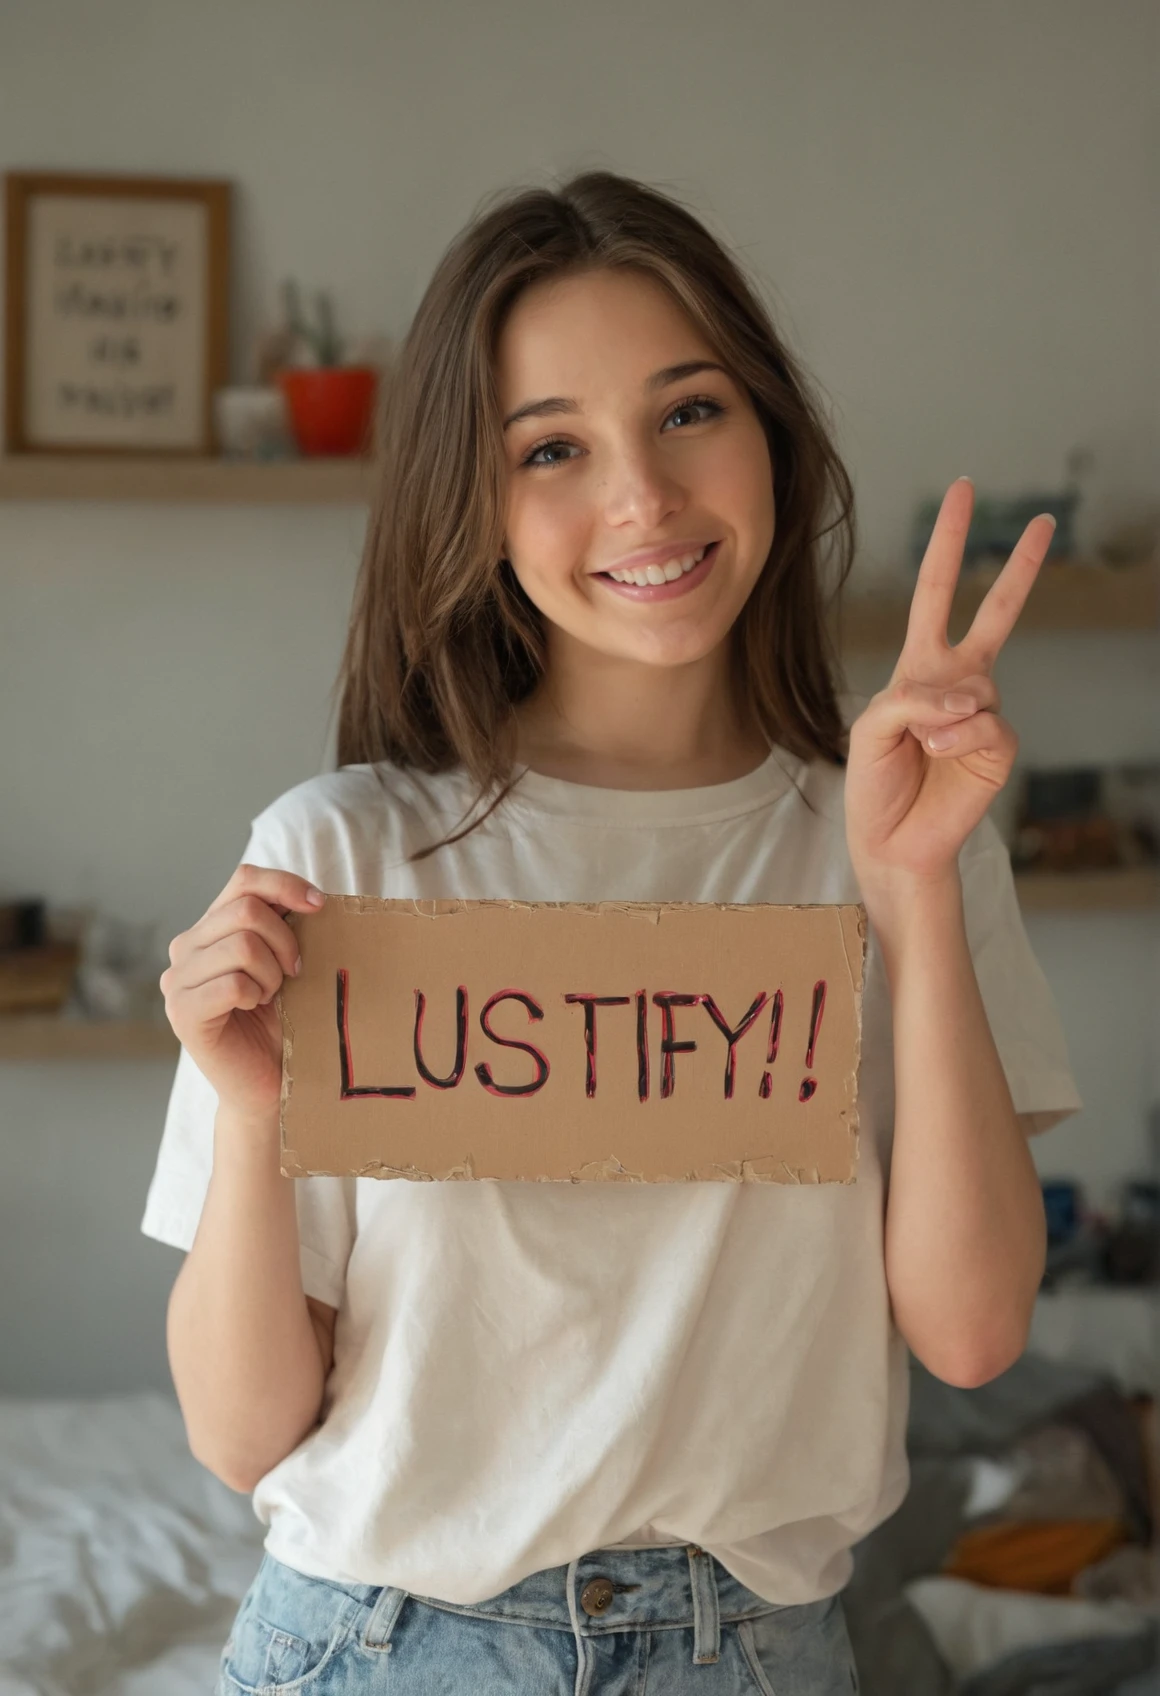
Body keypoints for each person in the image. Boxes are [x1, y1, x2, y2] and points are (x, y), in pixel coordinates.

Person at [141, 169, 1082, 1695]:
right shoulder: (341, 850)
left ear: (770, 427)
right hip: (382, 1647)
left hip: (759, 1653)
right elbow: (241, 1437)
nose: (642, 497)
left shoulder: (902, 834)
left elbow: (971, 1339)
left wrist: (909, 888)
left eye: (691, 411)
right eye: (555, 447)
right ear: (476, 494)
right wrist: (255, 1117)